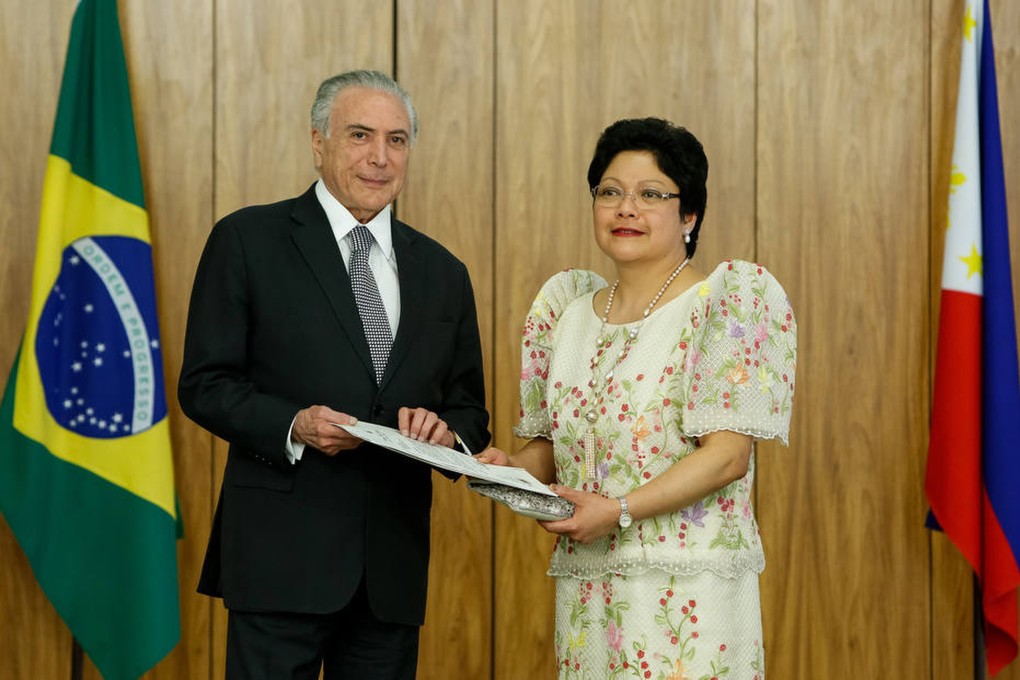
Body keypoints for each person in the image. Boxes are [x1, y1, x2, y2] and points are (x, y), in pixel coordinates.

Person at [178, 69, 490, 680]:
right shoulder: (247, 239)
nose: (379, 157)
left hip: (390, 575)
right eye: (359, 135)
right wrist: (293, 424)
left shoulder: (443, 272)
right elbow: (205, 383)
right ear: (318, 142)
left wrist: (444, 432)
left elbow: (469, 410)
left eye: (396, 140)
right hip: (278, 562)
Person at [476, 118, 797, 679]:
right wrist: (513, 470)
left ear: (689, 215)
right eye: (610, 192)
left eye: (652, 195)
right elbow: (550, 446)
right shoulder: (566, 312)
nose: (626, 208)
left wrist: (619, 511)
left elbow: (726, 456)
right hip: (589, 593)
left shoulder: (724, 302)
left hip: (688, 593)